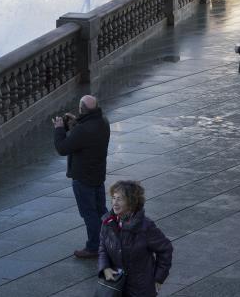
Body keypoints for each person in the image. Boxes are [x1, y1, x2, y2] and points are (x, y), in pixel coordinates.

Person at [53, 95, 111, 259]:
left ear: (81, 110)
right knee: (101, 210)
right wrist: (77, 123)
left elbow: (62, 148)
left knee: (89, 213)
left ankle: (94, 247)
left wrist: (59, 129)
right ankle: (109, 240)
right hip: (98, 174)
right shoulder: (103, 122)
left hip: (83, 177)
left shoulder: (82, 130)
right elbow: (87, 134)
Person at [99, 180, 173, 297]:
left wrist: (159, 278)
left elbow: (166, 249)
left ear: (131, 202)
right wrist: (105, 267)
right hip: (116, 285)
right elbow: (103, 245)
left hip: (141, 289)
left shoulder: (146, 227)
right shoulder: (108, 222)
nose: (115, 203)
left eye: (120, 199)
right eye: (114, 198)